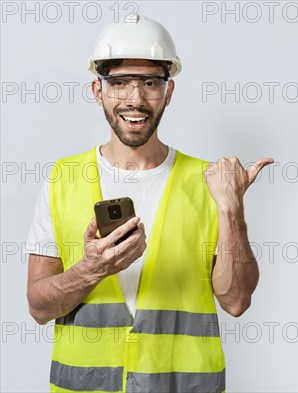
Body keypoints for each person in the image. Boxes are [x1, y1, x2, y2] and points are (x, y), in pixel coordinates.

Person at [25, 14, 272, 393]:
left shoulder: (209, 182)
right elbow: (38, 307)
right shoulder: (63, 178)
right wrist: (90, 270)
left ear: (168, 92)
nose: (135, 100)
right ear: (97, 91)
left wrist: (231, 208)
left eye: (150, 83)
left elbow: (236, 301)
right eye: (120, 83)